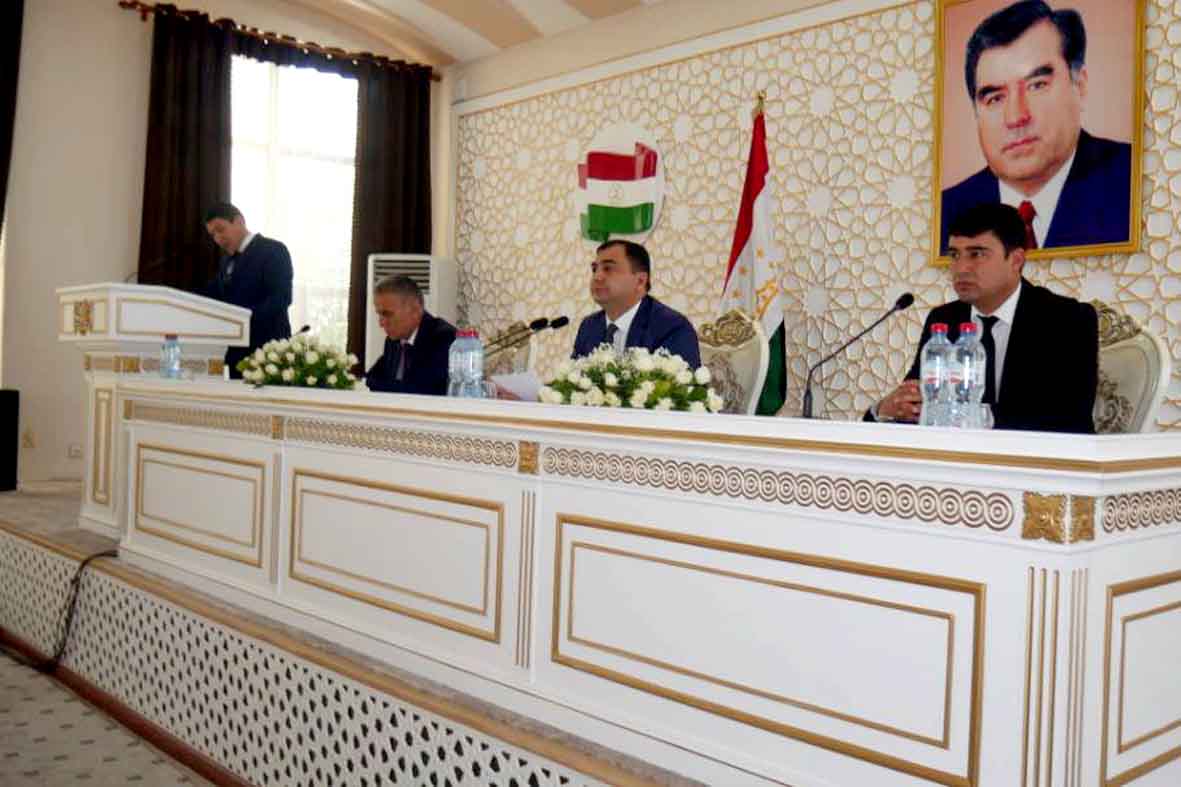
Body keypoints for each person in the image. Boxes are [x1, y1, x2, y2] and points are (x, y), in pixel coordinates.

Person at [869, 202, 1097, 433]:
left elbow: (1068, 414)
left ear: (1016, 260)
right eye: (954, 255)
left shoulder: (1068, 319)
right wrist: (884, 409)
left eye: (976, 254)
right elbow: (917, 398)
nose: (961, 268)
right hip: (955, 455)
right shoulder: (944, 320)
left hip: (1036, 454)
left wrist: (968, 415)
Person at [940, 0, 1132, 252]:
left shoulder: (1135, 180)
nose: (1015, 117)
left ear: (1080, 85)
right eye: (995, 98)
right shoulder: (946, 214)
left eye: (1037, 86)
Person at [572, 240, 701, 368]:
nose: (597, 277)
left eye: (608, 268)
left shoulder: (672, 327)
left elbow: (680, 380)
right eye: (594, 269)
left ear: (640, 281)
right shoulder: (589, 326)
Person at [203, 202, 293, 378]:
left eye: (220, 230)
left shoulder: (273, 250)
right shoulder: (226, 261)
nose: (218, 239)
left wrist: (241, 319)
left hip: (269, 353)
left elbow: (281, 298)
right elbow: (213, 293)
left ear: (239, 221)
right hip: (236, 354)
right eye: (213, 235)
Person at [365, 275, 457, 395]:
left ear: (415, 310)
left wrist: (388, 385)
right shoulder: (393, 341)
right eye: (379, 314)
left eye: (387, 314)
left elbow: (420, 391)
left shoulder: (445, 339)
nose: (381, 323)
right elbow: (371, 379)